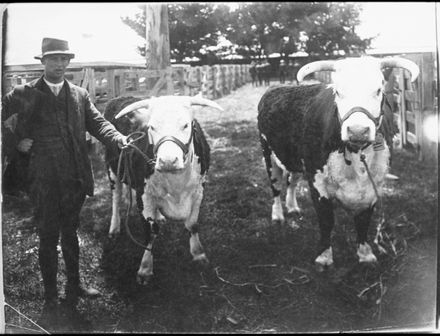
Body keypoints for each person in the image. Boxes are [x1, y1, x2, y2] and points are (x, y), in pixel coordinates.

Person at [2, 37, 127, 330]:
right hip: (41, 176)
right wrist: (15, 141)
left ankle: (75, 285)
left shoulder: (80, 95)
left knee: (70, 231)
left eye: (63, 59)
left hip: (73, 176)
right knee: (47, 234)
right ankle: (49, 298)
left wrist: (117, 137)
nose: (59, 64)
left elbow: (98, 123)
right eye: (53, 59)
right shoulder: (22, 93)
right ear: (42, 62)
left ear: (68, 62)